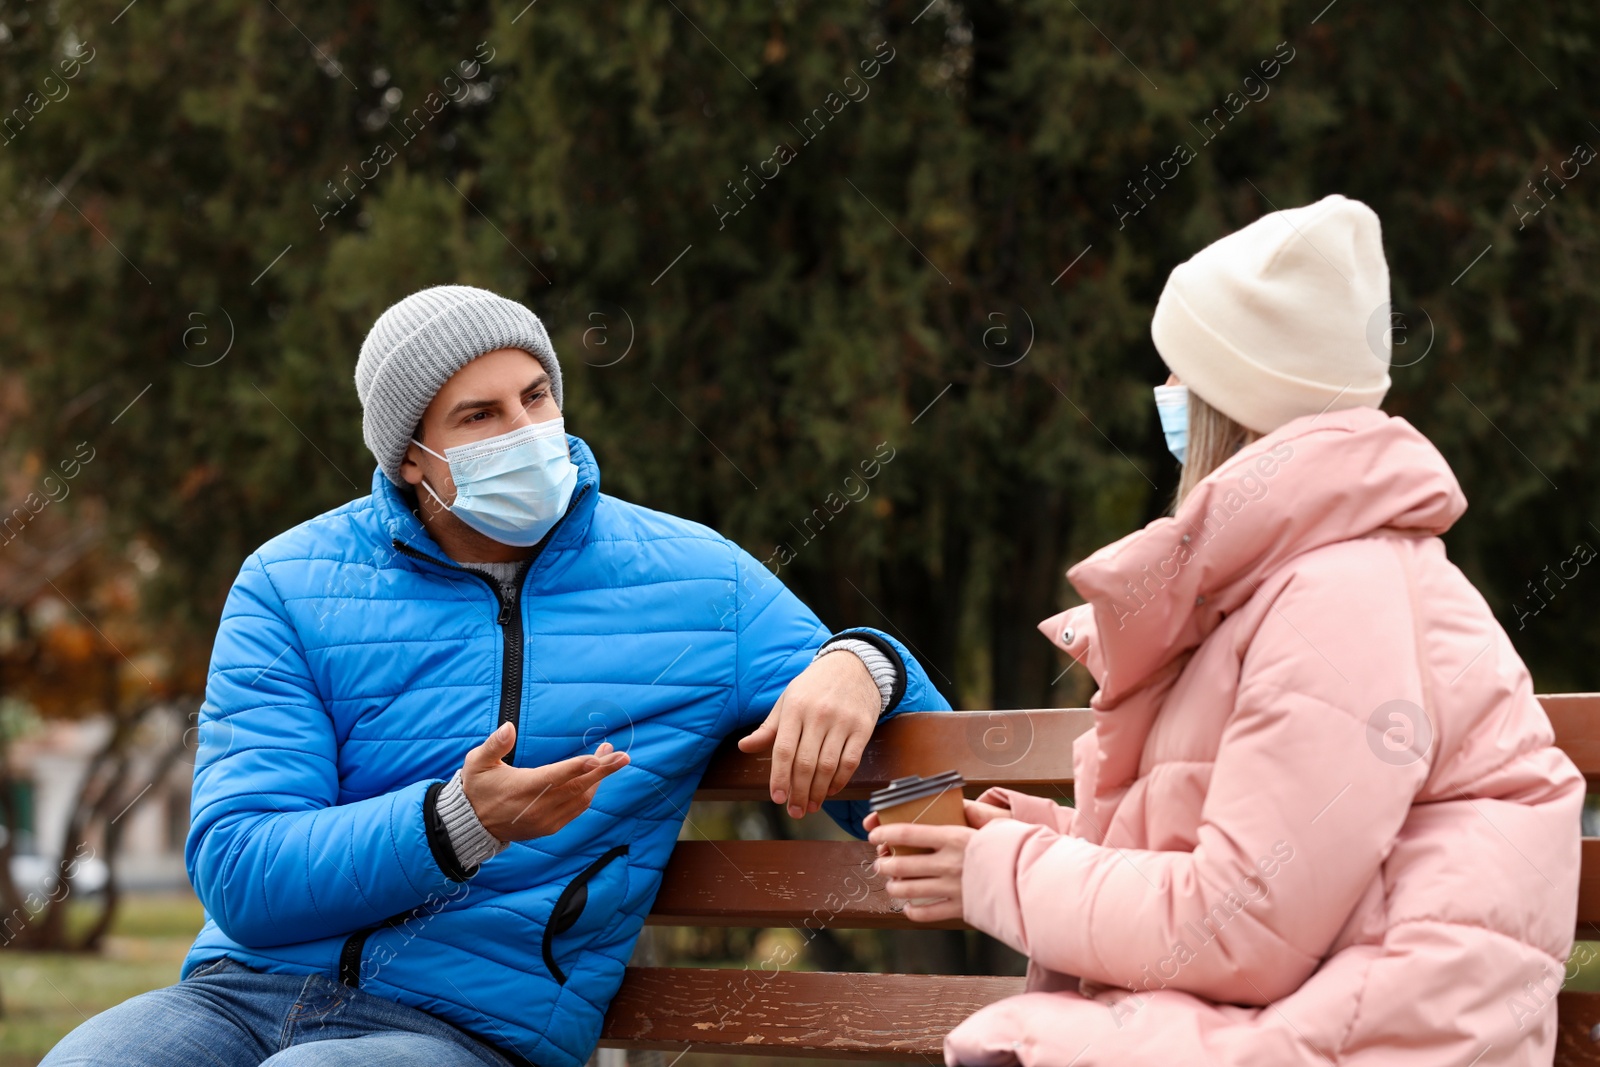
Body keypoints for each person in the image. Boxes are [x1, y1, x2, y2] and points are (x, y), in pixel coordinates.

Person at [43, 285, 950, 1067]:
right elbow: (241, 870)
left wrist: (865, 662)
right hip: (237, 996)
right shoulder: (289, 583)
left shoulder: (698, 582)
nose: (526, 431)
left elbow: (935, 802)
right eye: (480, 416)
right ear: (410, 457)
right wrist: (456, 823)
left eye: (536, 395)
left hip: (468, 1028)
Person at [868, 195, 1583, 1066]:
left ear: (1233, 401)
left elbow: (1243, 923)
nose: (1164, 394)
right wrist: (1031, 840)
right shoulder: (1286, 581)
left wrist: (999, 874)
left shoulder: (1342, 598)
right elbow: (1247, 872)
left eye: (1179, 373)